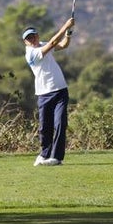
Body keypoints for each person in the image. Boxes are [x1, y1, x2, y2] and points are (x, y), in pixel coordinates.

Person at [23, 17, 75, 166]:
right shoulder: (31, 54)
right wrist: (65, 25)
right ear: (25, 42)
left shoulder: (43, 44)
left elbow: (63, 45)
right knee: (45, 127)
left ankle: (56, 158)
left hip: (60, 91)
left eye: (33, 35)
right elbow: (53, 43)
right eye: (29, 38)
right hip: (44, 94)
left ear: (38, 35)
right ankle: (44, 154)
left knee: (60, 123)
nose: (32, 39)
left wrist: (68, 33)